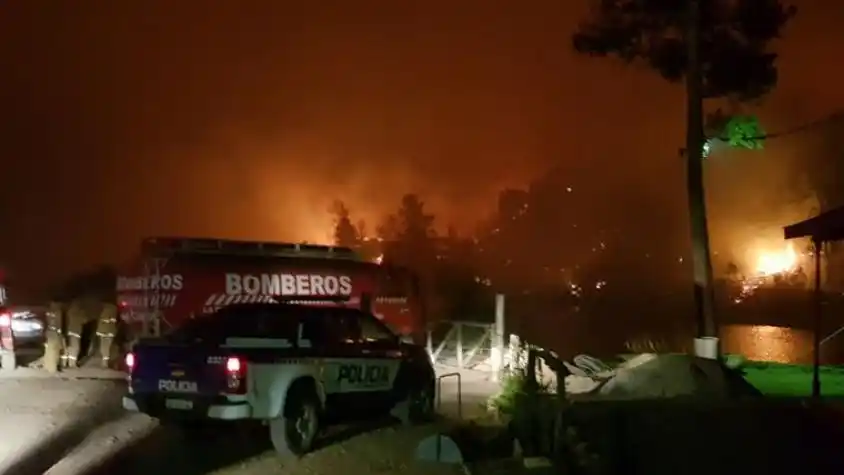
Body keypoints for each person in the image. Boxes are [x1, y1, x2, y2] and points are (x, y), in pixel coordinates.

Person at [44, 301, 66, 372]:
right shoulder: (58, 312)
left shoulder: (48, 311)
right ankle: (53, 368)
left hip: (48, 332)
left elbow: (45, 321)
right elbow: (59, 324)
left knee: (48, 350)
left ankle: (47, 366)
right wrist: (60, 334)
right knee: (55, 350)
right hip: (55, 333)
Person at [65, 300, 87, 368]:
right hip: (76, 331)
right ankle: (72, 364)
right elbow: (84, 320)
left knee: (71, 347)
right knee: (76, 348)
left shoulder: (69, 311)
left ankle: (68, 362)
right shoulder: (80, 312)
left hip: (70, 331)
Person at [96, 303, 118, 368]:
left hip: (102, 332)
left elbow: (101, 321)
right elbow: (112, 322)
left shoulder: (102, 310)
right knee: (108, 347)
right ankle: (105, 363)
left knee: (104, 347)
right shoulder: (113, 311)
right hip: (109, 333)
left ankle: (104, 362)